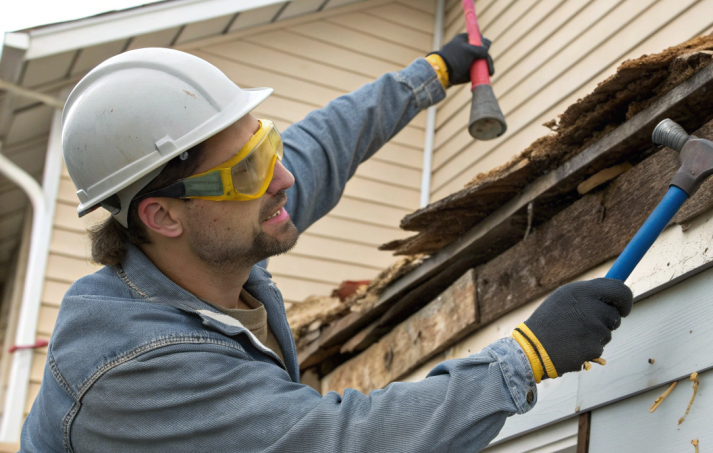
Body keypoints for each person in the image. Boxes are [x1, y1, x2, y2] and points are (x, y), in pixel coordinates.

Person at [20, 35, 632, 452]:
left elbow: (321, 145)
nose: (284, 178)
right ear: (162, 215)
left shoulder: (211, 240)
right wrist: (522, 361)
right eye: (250, 170)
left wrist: (431, 74)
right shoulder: (134, 370)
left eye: (266, 146)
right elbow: (339, 440)